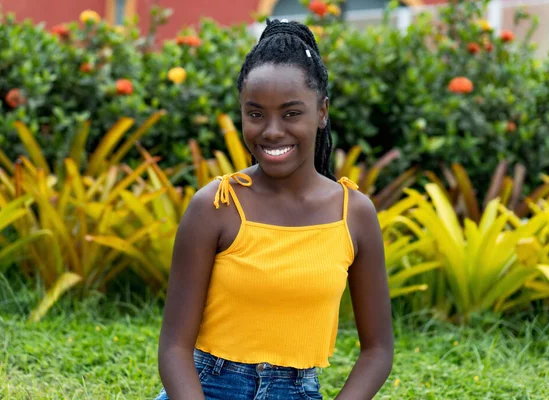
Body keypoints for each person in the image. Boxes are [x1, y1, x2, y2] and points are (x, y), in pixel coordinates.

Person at [156, 19, 393, 400]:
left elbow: (378, 351)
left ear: (322, 112)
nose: (271, 131)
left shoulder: (354, 214)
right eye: (255, 114)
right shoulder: (216, 206)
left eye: (290, 113)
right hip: (207, 388)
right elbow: (173, 349)